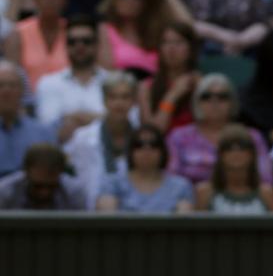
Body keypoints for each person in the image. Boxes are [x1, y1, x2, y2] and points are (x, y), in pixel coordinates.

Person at [166, 72, 273, 186]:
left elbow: (266, 180)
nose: (214, 101)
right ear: (196, 102)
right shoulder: (179, 136)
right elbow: (170, 180)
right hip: (190, 196)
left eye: (222, 96)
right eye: (206, 96)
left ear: (233, 102)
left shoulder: (251, 136)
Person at [62, 72, 139, 207]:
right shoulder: (83, 137)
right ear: (104, 100)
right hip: (90, 210)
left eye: (125, 97)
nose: (119, 103)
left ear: (134, 101)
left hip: (135, 210)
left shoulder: (142, 138)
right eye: (113, 97)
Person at [34, 14, 109, 139]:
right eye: (72, 42)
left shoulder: (112, 81)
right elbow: (47, 127)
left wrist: (71, 118)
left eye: (86, 41)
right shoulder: (48, 83)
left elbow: (123, 123)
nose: (80, 46)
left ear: (97, 44)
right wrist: (98, 118)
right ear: (65, 45)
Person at [96, 125, 194, 213]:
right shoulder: (112, 184)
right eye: (139, 144)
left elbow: (184, 222)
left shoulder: (180, 187)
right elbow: (107, 220)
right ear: (130, 151)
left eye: (154, 144)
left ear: (163, 151)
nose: (146, 149)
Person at [193, 123, 273, 213]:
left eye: (242, 147)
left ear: (252, 154)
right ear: (220, 154)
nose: (236, 152)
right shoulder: (204, 193)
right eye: (228, 147)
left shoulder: (267, 193)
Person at [139, 22, 199, 132]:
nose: (171, 48)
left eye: (178, 42)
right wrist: (172, 95)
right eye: (165, 42)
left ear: (191, 48)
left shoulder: (200, 83)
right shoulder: (146, 87)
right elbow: (152, 133)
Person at [0, 60, 53, 178]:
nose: (6, 91)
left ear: (22, 91)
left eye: (12, 85)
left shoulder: (42, 133)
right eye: (0, 85)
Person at [0, 142, 80, 210]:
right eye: (37, 186)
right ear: (26, 173)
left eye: (52, 186)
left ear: (61, 173)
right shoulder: (5, 192)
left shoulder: (74, 192)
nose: (44, 193)